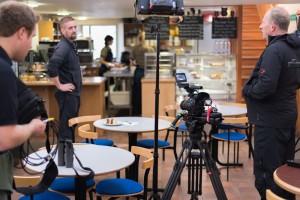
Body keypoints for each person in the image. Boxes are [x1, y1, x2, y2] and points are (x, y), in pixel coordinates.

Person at [243, 7, 300, 200]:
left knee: (267, 175)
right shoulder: (294, 48)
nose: (260, 25)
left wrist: (248, 90)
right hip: (286, 118)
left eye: (264, 22)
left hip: (270, 123)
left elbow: (265, 87)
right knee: (284, 172)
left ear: (273, 27)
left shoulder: (274, 50)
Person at [0, 1, 46, 199]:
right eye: (31, 37)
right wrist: (33, 127)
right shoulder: (3, 72)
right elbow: (5, 138)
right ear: (21, 32)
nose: (30, 45)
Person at [47, 16, 82, 142]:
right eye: (70, 28)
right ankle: (65, 159)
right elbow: (52, 66)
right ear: (63, 31)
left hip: (73, 94)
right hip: (68, 95)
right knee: (66, 129)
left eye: (75, 27)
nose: (74, 30)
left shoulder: (70, 45)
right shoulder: (63, 47)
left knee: (71, 125)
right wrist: (60, 85)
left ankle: (69, 156)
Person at [131, 32, 155, 116]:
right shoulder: (150, 49)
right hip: (149, 72)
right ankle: (147, 112)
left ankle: (137, 113)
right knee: (148, 92)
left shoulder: (135, 48)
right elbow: (154, 61)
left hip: (139, 71)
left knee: (137, 93)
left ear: (139, 38)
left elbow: (132, 61)